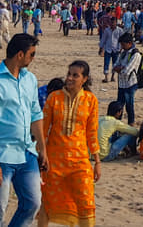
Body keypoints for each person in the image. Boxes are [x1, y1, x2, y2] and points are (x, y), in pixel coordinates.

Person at [0, 33, 47, 227]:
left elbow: (36, 114)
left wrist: (42, 148)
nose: (33, 58)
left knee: (33, 203)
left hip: (27, 152)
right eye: (32, 54)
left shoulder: (30, 79)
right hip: (1, 155)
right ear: (20, 55)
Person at [37, 60, 101, 227]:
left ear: (84, 79)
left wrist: (97, 161)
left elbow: (92, 132)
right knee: (47, 201)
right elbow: (43, 130)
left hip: (80, 161)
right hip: (54, 160)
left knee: (86, 202)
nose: (70, 78)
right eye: (69, 74)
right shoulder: (54, 98)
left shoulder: (91, 100)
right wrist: (41, 154)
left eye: (75, 75)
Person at [113, 33, 142, 126]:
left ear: (129, 43)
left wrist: (119, 68)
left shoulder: (136, 54)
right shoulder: (123, 53)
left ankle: (131, 123)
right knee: (119, 105)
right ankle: (118, 124)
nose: (122, 46)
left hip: (130, 84)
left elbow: (127, 71)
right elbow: (114, 66)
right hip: (121, 83)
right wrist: (120, 68)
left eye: (123, 44)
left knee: (129, 105)